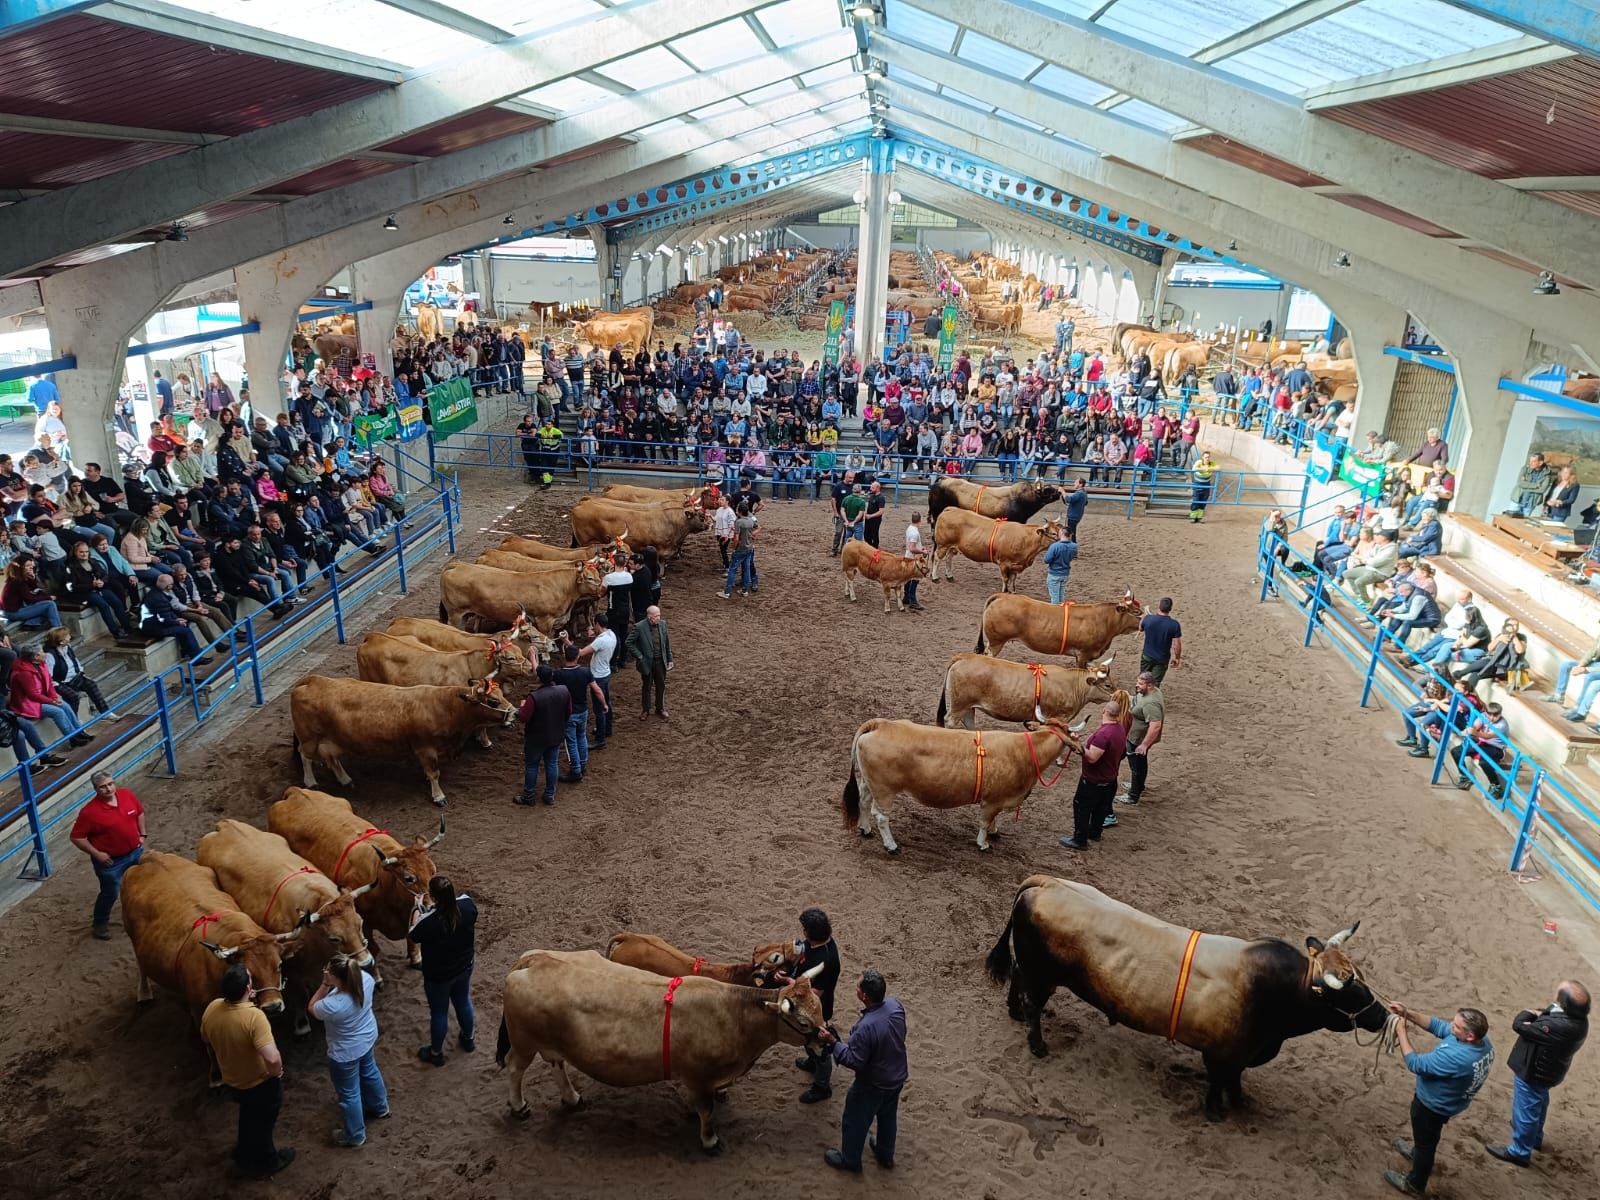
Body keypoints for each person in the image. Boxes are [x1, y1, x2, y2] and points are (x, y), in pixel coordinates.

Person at [1383, 1001, 1492, 1195]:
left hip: (1432, 1106)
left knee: (1426, 1144)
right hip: (1451, 1101)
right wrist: (1408, 1012)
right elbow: (1438, 1026)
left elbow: (1415, 1064)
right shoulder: (1483, 1042)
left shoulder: (1456, 1057)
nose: (1451, 1025)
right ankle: (1418, 1154)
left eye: (1456, 1026)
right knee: (1427, 1138)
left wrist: (1401, 1031)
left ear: (1470, 1036)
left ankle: (1415, 1184)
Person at [200, 963, 292, 1179]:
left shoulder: (213, 1007)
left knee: (248, 1115)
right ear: (248, 988)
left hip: (232, 1079)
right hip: (259, 1082)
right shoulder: (254, 1017)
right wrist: (275, 1072)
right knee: (264, 1121)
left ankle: (243, 1152)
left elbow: (205, 1037)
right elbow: (272, 1057)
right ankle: (269, 1160)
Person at [1486, 980, 1589, 1167]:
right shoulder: (1579, 1020)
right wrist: (1540, 1014)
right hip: (1548, 1072)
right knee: (1539, 1103)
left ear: (1564, 1004)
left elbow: (1519, 1025)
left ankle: (1519, 1152)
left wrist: (1529, 1012)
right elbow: (1548, 1012)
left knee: (1526, 1110)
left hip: (1534, 1072)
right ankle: (1535, 1138)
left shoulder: (1559, 1026)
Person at [819, 969, 908, 1173]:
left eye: (858, 986)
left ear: (865, 996)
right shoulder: (896, 1006)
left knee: (855, 1119)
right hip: (896, 1076)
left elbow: (854, 1060)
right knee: (888, 1116)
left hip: (872, 1083)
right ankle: (885, 1154)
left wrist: (833, 1043)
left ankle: (850, 1160)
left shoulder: (865, 1027)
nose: (856, 988)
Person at [308, 952, 387, 1149]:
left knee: (349, 1093)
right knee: (370, 1071)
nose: (324, 973)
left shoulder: (333, 1004)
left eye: (327, 971)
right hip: (367, 1037)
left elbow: (312, 1007)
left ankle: (355, 1135)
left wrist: (325, 985)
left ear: (337, 977)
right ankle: (380, 1107)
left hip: (345, 1052)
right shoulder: (366, 980)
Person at [409, 875, 479, 1068]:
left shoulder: (428, 921)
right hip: (464, 965)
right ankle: (468, 1038)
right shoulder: (467, 905)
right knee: (463, 1001)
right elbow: (462, 909)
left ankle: (436, 1053)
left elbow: (413, 935)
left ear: (432, 896)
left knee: (439, 1012)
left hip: (438, 976)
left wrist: (417, 908)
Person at [69, 771, 145, 939]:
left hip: (135, 851)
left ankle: (140, 914)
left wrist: (142, 834)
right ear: (95, 789)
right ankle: (100, 923)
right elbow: (76, 837)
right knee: (110, 892)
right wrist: (97, 854)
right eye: (102, 787)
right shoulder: (89, 812)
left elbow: (139, 812)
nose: (108, 789)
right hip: (111, 862)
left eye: (110, 784)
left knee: (142, 883)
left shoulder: (127, 795)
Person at [1058, 700, 1127, 850]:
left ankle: (1079, 840)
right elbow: (1123, 753)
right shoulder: (1120, 729)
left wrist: (1076, 744)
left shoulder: (1103, 734)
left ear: (1104, 711)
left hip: (1093, 780)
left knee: (1082, 807)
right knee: (1100, 808)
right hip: (1109, 778)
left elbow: (1092, 757)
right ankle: (1095, 832)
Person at [792, 907, 843, 1104]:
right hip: (809, 1002)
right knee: (809, 1040)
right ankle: (812, 1063)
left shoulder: (826, 959)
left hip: (817, 1008)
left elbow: (815, 993)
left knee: (820, 1045)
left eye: (804, 928)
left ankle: (822, 1087)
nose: (803, 932)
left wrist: (790, 984)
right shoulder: (814, 944)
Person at [515, 663, 570, 806]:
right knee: (552, 763)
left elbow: (523, 718)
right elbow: (568, 712)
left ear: (538, 678)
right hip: (556, 735)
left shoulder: (534, 697)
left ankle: (528, 796)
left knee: (532, 766)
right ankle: (549, 795)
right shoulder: (563, 691)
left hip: (536, 738)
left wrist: (522, 707)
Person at [552, 641, 605, 783]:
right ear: (577, 657)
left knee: (571, 742)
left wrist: (533, 658)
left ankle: (575, 771)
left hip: (568, 713)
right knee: (582, 737)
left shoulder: (559, 674)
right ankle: (583, 764)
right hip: (583, 711)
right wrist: (604, 704)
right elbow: (597, 690)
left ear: (565, 657)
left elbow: (541, 675)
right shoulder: (585, 672)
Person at [1117, 671, 1164, 807]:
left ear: (1149, 685)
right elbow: (1138, 701)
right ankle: (1139, 785)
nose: (1137, 685)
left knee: (1136, 766)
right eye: (1137, 682)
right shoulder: (1150, 693)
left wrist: (1144, 745)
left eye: (1140, 684)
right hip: (1135, 736)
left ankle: (1133, 796)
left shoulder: (1151, 703)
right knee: (1140, 764)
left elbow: (1155, 726)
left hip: (1138, 740)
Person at [626, 604, 673, 718]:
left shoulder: (662, 625)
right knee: (647, 686)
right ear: (649, 616)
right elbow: (628, 642)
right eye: (656, 616)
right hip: (647, 662)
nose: (658, 618)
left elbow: (666, 643)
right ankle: (646, 710)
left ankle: (660, 708)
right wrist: (639, 656)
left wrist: (669, 658)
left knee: (660, 685)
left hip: (660, 662)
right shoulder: (639, 627)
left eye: (659, 615)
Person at [577, 614, 616, 750]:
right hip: (606, 673)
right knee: (607, 703)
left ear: (598, 624)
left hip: (598, 676)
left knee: (598, 709)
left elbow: (581, 653)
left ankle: (600, 739)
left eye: (594, 625)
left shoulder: (600, 641)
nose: (593, 627)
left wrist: (566, 642)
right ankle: (607, 729)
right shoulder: (611, 635)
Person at [718, 502, 759, 600]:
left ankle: (727, 592)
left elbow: (736, 538)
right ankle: (744, 590)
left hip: (740, 549)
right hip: (749, 548)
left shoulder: (738, 522)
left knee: (732, 570)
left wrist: (734, 548)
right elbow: (753, 531)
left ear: (739, 512)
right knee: (746, 569)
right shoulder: (750, 520)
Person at [1138, 597, 1182, 683]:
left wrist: (1144, 618)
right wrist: (1177, 658)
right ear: (1170, 609)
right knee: (1154, 683)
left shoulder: (1148, 619)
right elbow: (1177, 645)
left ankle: (1139, 695)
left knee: (1142, 680)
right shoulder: (1174, 625)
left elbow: (1140, 628)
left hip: (1147, 655)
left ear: (1159, 606)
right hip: (1162, 659)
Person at [1504, 453, 1555, 518]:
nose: (1530, 463)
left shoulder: (1547, 474)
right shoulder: (1525, 468)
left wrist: (1525, 485)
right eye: (1530, 461)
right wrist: (1535, 485)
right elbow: (1520, 483)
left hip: (1530, 503)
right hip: (1517, 499)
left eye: (1533, 461)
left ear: (1540, 463)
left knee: (1522, 523)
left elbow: (1542, 489)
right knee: (1508, 519)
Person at [1042, 525, 1077, 605]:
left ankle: (1056, 614)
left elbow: (1046, 560)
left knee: (1054, 598)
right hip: (1065, 574)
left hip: (1054, 574)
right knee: (1061, 596)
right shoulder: (1074, 546)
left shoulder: (1054, 546)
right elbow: (1073, 557)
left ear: (1061, 534)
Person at [902, 512, 926, 612]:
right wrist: (922, 551)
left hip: (908, 556)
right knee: (915, 579)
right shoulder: (915, 533)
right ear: (920, 520)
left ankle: (906, 597)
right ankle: (913, 601)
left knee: (908, 578)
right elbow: (912, 548)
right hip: (913, 558)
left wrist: (920, 547)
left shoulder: (910, 528)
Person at [1189, 450, 1216, 522]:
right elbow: (1194, 468)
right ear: (1202, 457)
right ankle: (1193, 517)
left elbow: (1218, 468)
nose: (1207, 458)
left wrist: (1210, 468)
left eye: (1208, 457)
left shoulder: (1212, 463)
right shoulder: (1199, 462)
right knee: (1196, 500)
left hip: (1206, 484)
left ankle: (1200, 517)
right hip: (1198, 483)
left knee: (1203, 501)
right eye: (1206, 457)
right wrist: (1204, 469)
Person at [863, 481, 885, 548]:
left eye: (872, 488)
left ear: (878, 488)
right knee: (866, 534)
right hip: (868, 518)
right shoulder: (872, 495)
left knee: (874, 535)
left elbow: (881, 511)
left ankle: (875, 548)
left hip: (875, 520)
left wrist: (871, 516)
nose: (870, 489)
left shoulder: (881, 498)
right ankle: (869, 547)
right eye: (871, 487)